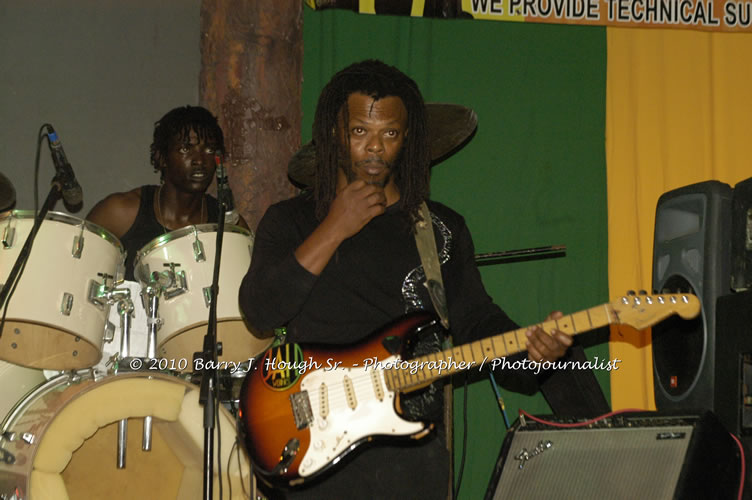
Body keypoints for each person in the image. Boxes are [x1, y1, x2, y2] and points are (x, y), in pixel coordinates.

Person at [239, 60, 609, 499]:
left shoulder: (440, 230)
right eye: (360, 132)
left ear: (407, 137)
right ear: (335, 133)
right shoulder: (291, 220)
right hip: (315, 451)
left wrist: (534, 354)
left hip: (411, 457)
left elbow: (477, 322)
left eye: (389, 134)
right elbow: (261, 311)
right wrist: (335, 225)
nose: (375, 149)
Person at [87, 105, 247, 281]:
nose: (200, 160)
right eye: (186, 149)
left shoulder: (228, 223)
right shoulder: (121, 212)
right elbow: (77, 272)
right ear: (161, 158)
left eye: (209, 150)